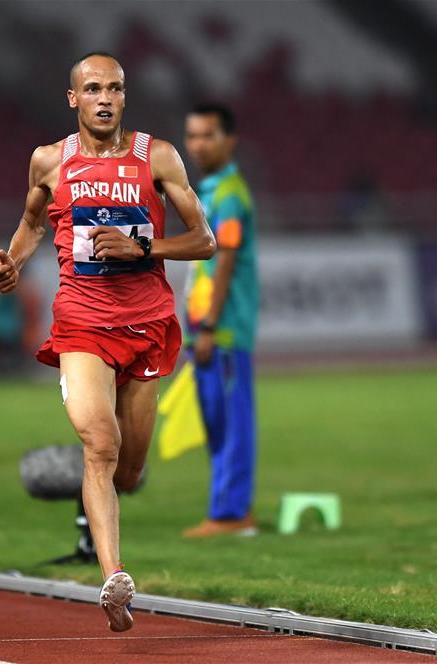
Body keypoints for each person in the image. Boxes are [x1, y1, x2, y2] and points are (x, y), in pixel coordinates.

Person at [0, 52, 216, 632]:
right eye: (93, 89)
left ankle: (86, 489)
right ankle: (114, 578)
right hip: (83, 324)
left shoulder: (156, 156)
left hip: (146, 325)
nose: (105, 98)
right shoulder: (49, 160)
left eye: (114, 87)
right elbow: (35, 223)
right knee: (101, 442)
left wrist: (142, 249)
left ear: (124, 95)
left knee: (130, 470)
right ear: (74, 99)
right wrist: (13, 262)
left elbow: (203, 241)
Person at [181, 103, 259, 538]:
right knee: (215, 419)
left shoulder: (229, 194)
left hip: (223, 327)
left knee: (231, 420)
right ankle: (228, 509)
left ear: (230, 140)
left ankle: (232, 515)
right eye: (192, 136)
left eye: (208, 135)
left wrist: (209, 325)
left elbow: (225, 258)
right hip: (205, 324)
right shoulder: (210, 191)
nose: (198, 144)